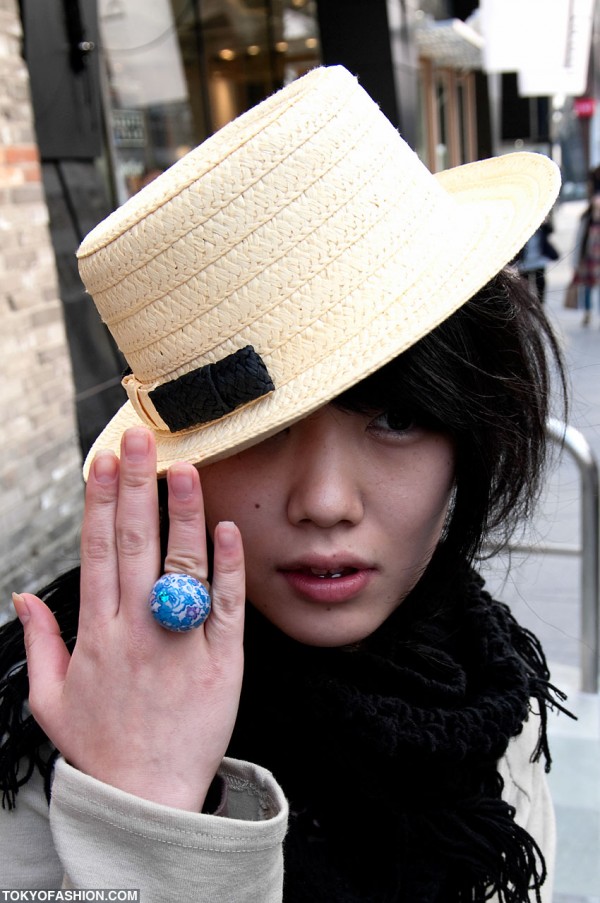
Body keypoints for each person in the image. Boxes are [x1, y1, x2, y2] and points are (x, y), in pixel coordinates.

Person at [0, 66, 570, 902]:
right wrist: (144, 813)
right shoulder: (55, 738)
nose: (327, 501)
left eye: (397, 418)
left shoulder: (481, 679)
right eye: (259, 435)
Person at [570, 190, 600, 326]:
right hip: (588, 260)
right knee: (587, 288)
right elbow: (579, 241)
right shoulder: (586, 220)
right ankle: (587, 313)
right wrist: (575, 262)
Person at [516, 216, 558, 304]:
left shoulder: (542, 228)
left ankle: (540, 306)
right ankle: (527, 307)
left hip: (539, 261)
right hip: (524, 263)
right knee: (524, 286)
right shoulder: (521, 229)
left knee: (540, 284)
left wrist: (545, 221)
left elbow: (551, 229)